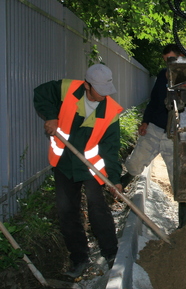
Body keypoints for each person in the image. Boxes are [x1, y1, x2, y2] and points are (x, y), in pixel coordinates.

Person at [33, 63, 123, 278]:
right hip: (64, 162)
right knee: (67, 211)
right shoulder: (66, 89)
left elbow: (111, 149)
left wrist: (115, 179)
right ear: (87, 85)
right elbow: (41, 93)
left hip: (91, 166)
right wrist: (50, 116)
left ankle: (111, 254)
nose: (103, 96)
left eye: (106, 91)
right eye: (99, 91)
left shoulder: (111, 111)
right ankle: (79, 259)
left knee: (98, 208)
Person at [123, 44, 186, 228]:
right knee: (135, 162)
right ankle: (117, 192)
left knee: (180, 180)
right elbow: (154, 100)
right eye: (166, 61)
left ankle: (184, 227)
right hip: (155, 128)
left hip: (175, 135)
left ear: (181, 57)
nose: (168, 64)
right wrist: (145, 121)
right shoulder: (163, 75)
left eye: (171, 60)